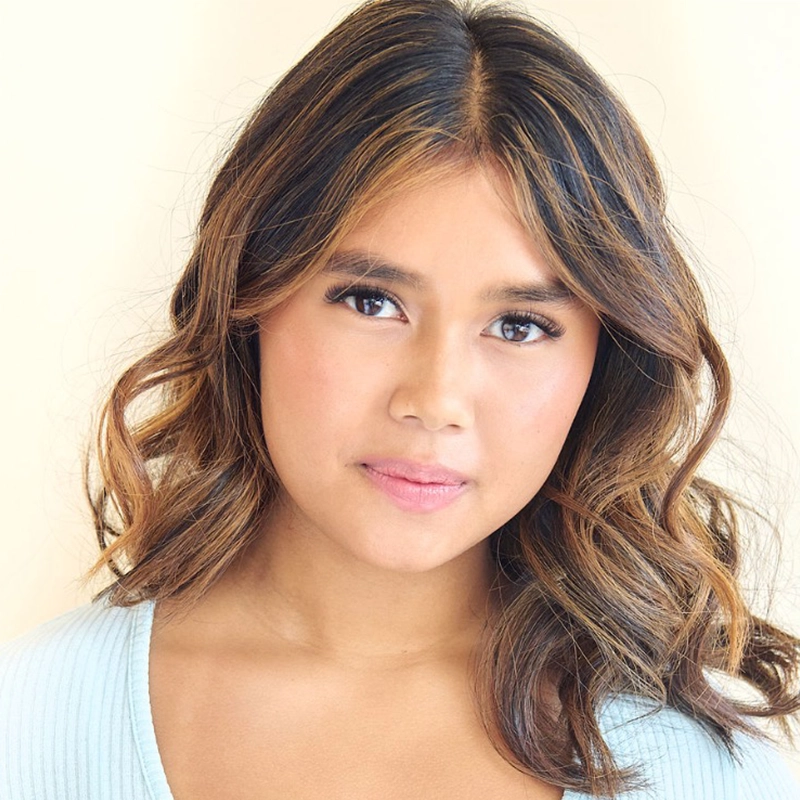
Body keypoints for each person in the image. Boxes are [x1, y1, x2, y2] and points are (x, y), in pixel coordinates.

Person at [1, 0, 798, 797]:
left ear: (605, 361)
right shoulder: (34, 723)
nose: (436, 399)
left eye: (520, 325)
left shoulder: (710, 772)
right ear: (250, 298)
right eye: (371, 302)